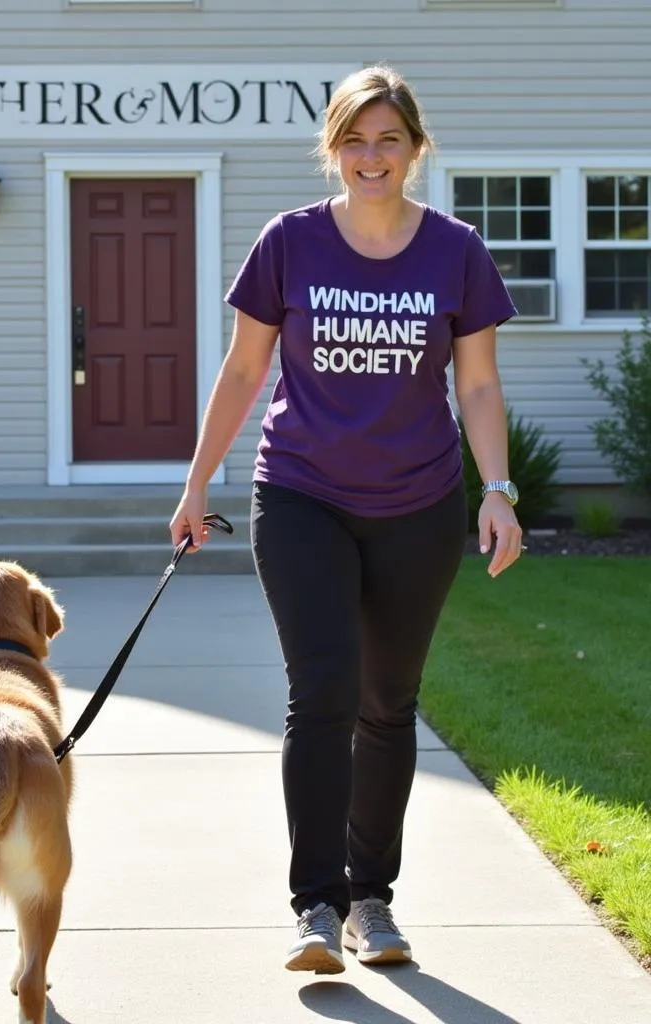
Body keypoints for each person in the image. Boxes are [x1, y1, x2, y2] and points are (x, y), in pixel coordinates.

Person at [169, 64, 524, 975]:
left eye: (389, 140)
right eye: (356, 140)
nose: (373, 157)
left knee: (388, 705)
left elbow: (476, 382)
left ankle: (374, 900)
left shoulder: (455, 250)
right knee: (321, 695)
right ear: (333, 150)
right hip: (301, 495)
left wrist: (497, 489)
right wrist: (197, 482)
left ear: (414, 148)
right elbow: (244, 371)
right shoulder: (289, 243)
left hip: (417, 502)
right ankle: (316, 908)